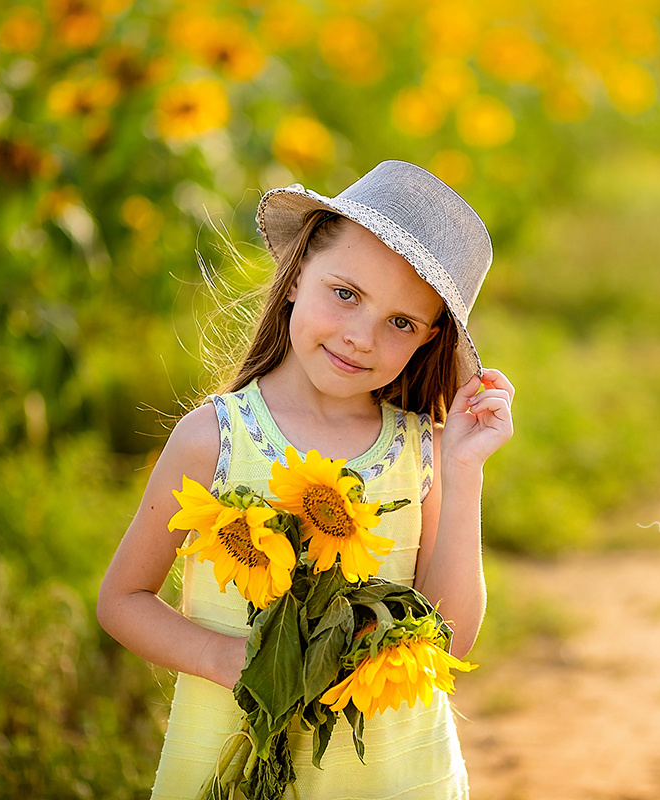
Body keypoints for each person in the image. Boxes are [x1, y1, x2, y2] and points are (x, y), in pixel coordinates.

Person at [96, 160, 515, 800]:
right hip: (229, 769)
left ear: (428, 339)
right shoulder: (216, 438)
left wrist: (464, 471)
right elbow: (122, 600)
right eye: (345, 293)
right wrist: (230, 660)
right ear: (295, 277)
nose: (359, 337)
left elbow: (448, 638)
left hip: (394, 777)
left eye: (400, 322)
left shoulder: (422, 454)